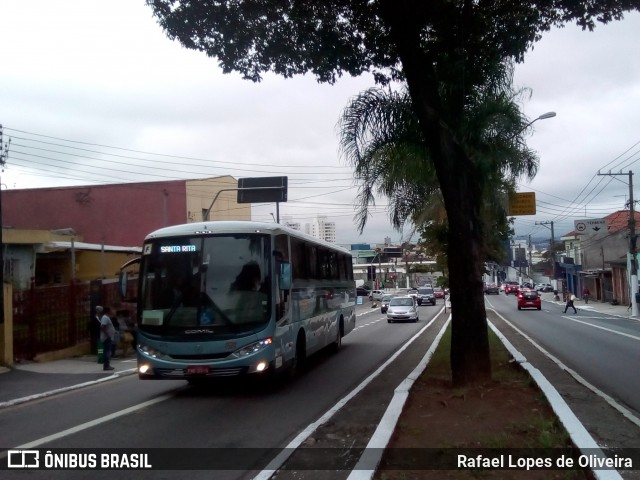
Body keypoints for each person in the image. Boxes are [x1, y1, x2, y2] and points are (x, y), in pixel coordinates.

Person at [97, 306, 116, 370]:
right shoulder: (105, 317)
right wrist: (107, 335)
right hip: (107, 338)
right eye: (111, 310)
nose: (112, 311)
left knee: (108, 351)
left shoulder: (107, 317)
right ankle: (106, 365)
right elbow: (102, 326)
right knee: (107, 352)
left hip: (108, 337)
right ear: (108, 311)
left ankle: (107, 365)